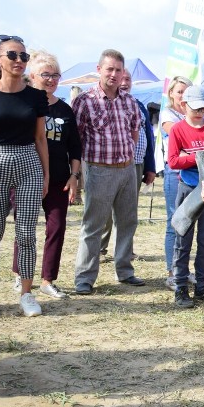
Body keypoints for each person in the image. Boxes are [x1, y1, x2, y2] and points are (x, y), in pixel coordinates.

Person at [0, 35, 49, 317]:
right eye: (13, 55)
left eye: (24, 56)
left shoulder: (36, 96)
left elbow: (40, 139)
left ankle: (27, 294)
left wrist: (46, 175)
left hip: (29, 163)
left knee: (26, 233)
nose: (19, 61)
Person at [71, 49, 145, 295]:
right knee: (94, 225)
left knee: (128, 222)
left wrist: (128, 158)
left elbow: (134, 131)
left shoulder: (129, 101)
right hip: (99, 170)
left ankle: (124, 271)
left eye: (118, 70)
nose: (114, 74)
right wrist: (79, 173)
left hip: (127, 170)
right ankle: (84, 277)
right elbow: (76, 139)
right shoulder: (85, 100)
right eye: (109, 69)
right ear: (99, 69)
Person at [11, 51, 81, 300]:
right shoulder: (22, 104)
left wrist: (74, 176)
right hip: (27, 175)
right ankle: (20, 275)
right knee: (25, 227)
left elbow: (75, 146)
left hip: (60, 178)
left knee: (57, 227)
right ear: (32, 76)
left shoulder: (65, 109)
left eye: (55, 75)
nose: (51, 79)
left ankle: (47, 279)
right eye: (45, 75)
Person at [167, 85, 204, 308]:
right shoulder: (177, 130)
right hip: (187, 189)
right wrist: (203, 155)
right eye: (196, 109)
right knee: (183, 238)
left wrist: (190, 155)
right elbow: (173, 161)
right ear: (184, 105)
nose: (201, 113)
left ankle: (202, 286)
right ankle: (181, 286)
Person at [99, 68, 156, 259]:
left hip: (137, 163)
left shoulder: (138, 105)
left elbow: (148, 137)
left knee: (128, 212)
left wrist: (151, 167)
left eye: (128, 79)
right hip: (110, 164)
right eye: (121, 78)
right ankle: (100, 248)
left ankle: (124, 251)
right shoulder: (104, 102)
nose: (124, 82)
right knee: (105, 209)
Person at [159, 75, 192, 289]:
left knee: (189, 223)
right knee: (174, 222)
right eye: (179, 91)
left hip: (192, 170)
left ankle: (183, 269)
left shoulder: (190, 114)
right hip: (174, 170)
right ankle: (172, 271)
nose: (182, 96)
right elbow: (178, 133)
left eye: (186, 92)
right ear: (171, 93)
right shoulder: (167, 113)